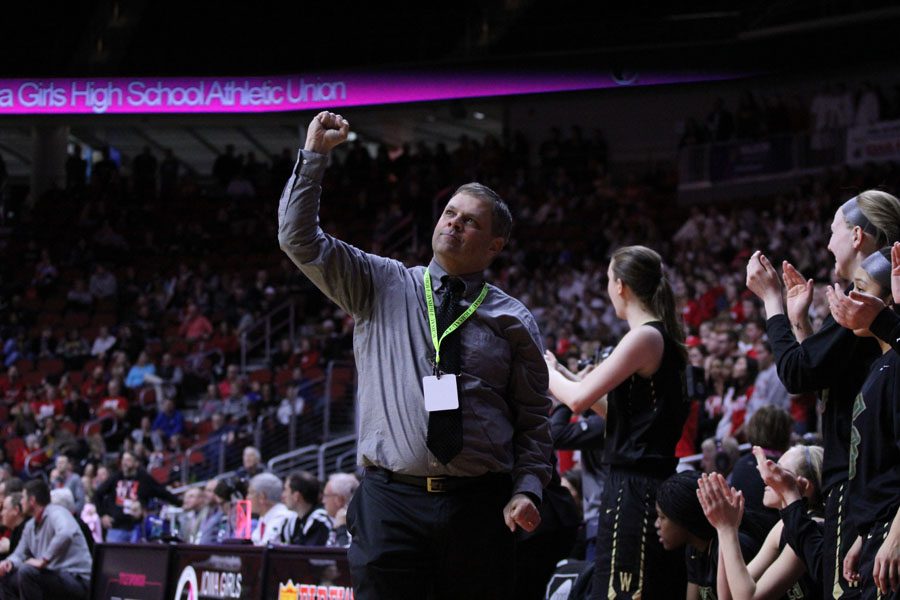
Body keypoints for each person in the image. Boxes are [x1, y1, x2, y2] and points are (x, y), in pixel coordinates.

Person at [278, 111, 552, 599]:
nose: (454, 224)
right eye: (450, 213)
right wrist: (314, 156)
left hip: (480, 508)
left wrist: (527, 488)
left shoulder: (513, 319)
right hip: (391, 503)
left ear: (494, 245)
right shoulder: (380, 283)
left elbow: (533, 420)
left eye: (470, 222)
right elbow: (298, 239)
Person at [745, 190, 900, 599]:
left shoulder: (866, 299)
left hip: (863, 480)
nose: (827, 242)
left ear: (856, 236)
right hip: (858, 479)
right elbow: (823, 379)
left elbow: (797, 372)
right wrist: (799, 325)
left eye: (833, 231)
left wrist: (772, 303)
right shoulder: (868, 302)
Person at [545, 245, 689, 599]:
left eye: (608, 280)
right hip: (638, 484)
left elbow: (576, 401)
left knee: (624, 591)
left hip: (636, 488)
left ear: (621, 285)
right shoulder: (656, 336)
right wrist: (566, 375)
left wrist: (546, 372)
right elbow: (619, 413)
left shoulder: (644, 336)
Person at [698, 445, 824, 600]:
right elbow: (727, 596)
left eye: (778, 472)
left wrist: (727, 529)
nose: (766, 478)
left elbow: (748, 598)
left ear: (804, 486)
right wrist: (722, 525)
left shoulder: (810, 531)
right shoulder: (782, 526)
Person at [655, 471, 763, 600]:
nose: (657, 524)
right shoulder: (694, 549)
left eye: (662, 517)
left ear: (684, 518)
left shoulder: (735, 546)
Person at [0, 479, 92, 599]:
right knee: (6, 578)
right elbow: (19, 553)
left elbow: (66, 533)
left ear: (32, 500)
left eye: (23, 497)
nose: (21, 501)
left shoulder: (57, 512)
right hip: (55, 576)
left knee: (27, 571)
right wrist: (8, 563)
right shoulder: (30, 525)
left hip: (77, 580)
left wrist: (44, 560)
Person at [94, 450, 180, 542]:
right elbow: (98, 494)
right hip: (116, 527)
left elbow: (162, 493)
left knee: (137, 555)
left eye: (128, 460)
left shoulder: (144, 479)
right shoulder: (115, 477)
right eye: (123, 460)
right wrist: (102, 515)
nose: (124, 463)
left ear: (136, 463)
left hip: (137, 527)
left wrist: (181, 503)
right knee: (113, 555)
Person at [281, 470, 332, 546]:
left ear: (296, 496)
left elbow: (311, 555)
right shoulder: (293, 521)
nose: (283, 495)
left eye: (285, 490)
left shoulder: (319, 520)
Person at [248, 472, 292, 546]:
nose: (247, 497)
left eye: (250, 493)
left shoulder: (282, 518)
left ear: (262, 497)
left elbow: (263, 550)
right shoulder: (264, 518)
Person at [322, 473, 359, 547]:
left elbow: (345, 555)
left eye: (326, 496)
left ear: (339, 499)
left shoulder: (355, 522)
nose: (323, 501)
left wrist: (342, 528)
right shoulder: (334, 520)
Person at [0, 493, 25, 560]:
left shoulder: (26, 531)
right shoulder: (14, 530)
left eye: (4, 508)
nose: (1, 513)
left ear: (16, 510)